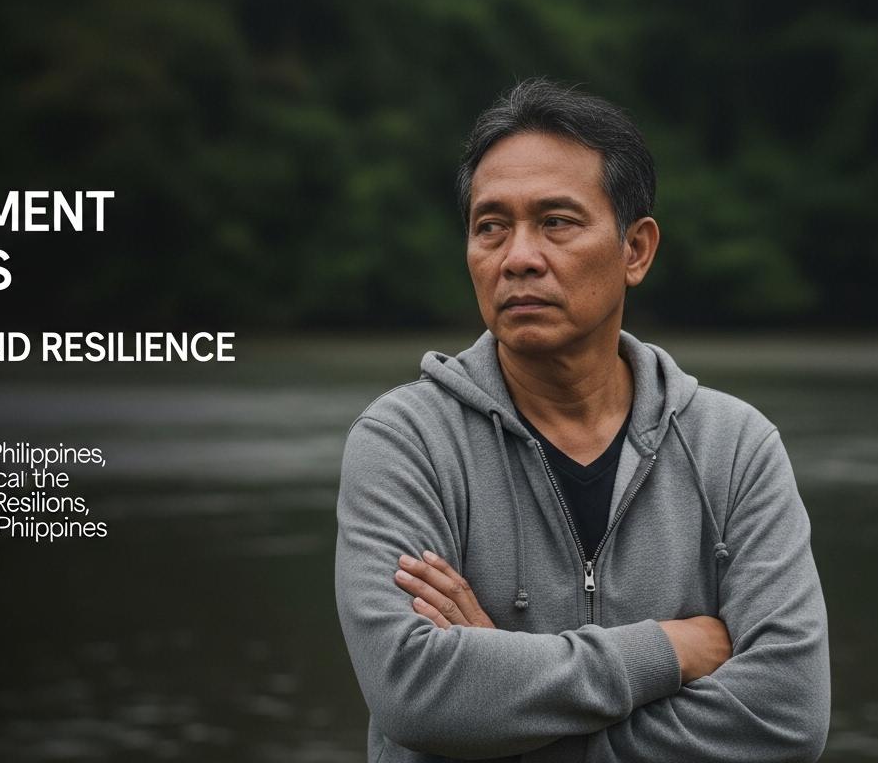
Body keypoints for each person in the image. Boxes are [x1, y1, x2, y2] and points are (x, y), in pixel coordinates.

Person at [334, 79, 831, 762]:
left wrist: (501, 696)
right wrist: (667, 650)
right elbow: (414, 693)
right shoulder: (406, 441)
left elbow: (786, 716)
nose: (518, 257)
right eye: (491, 227)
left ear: (636, 250)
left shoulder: (734, 449)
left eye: (557, 222)